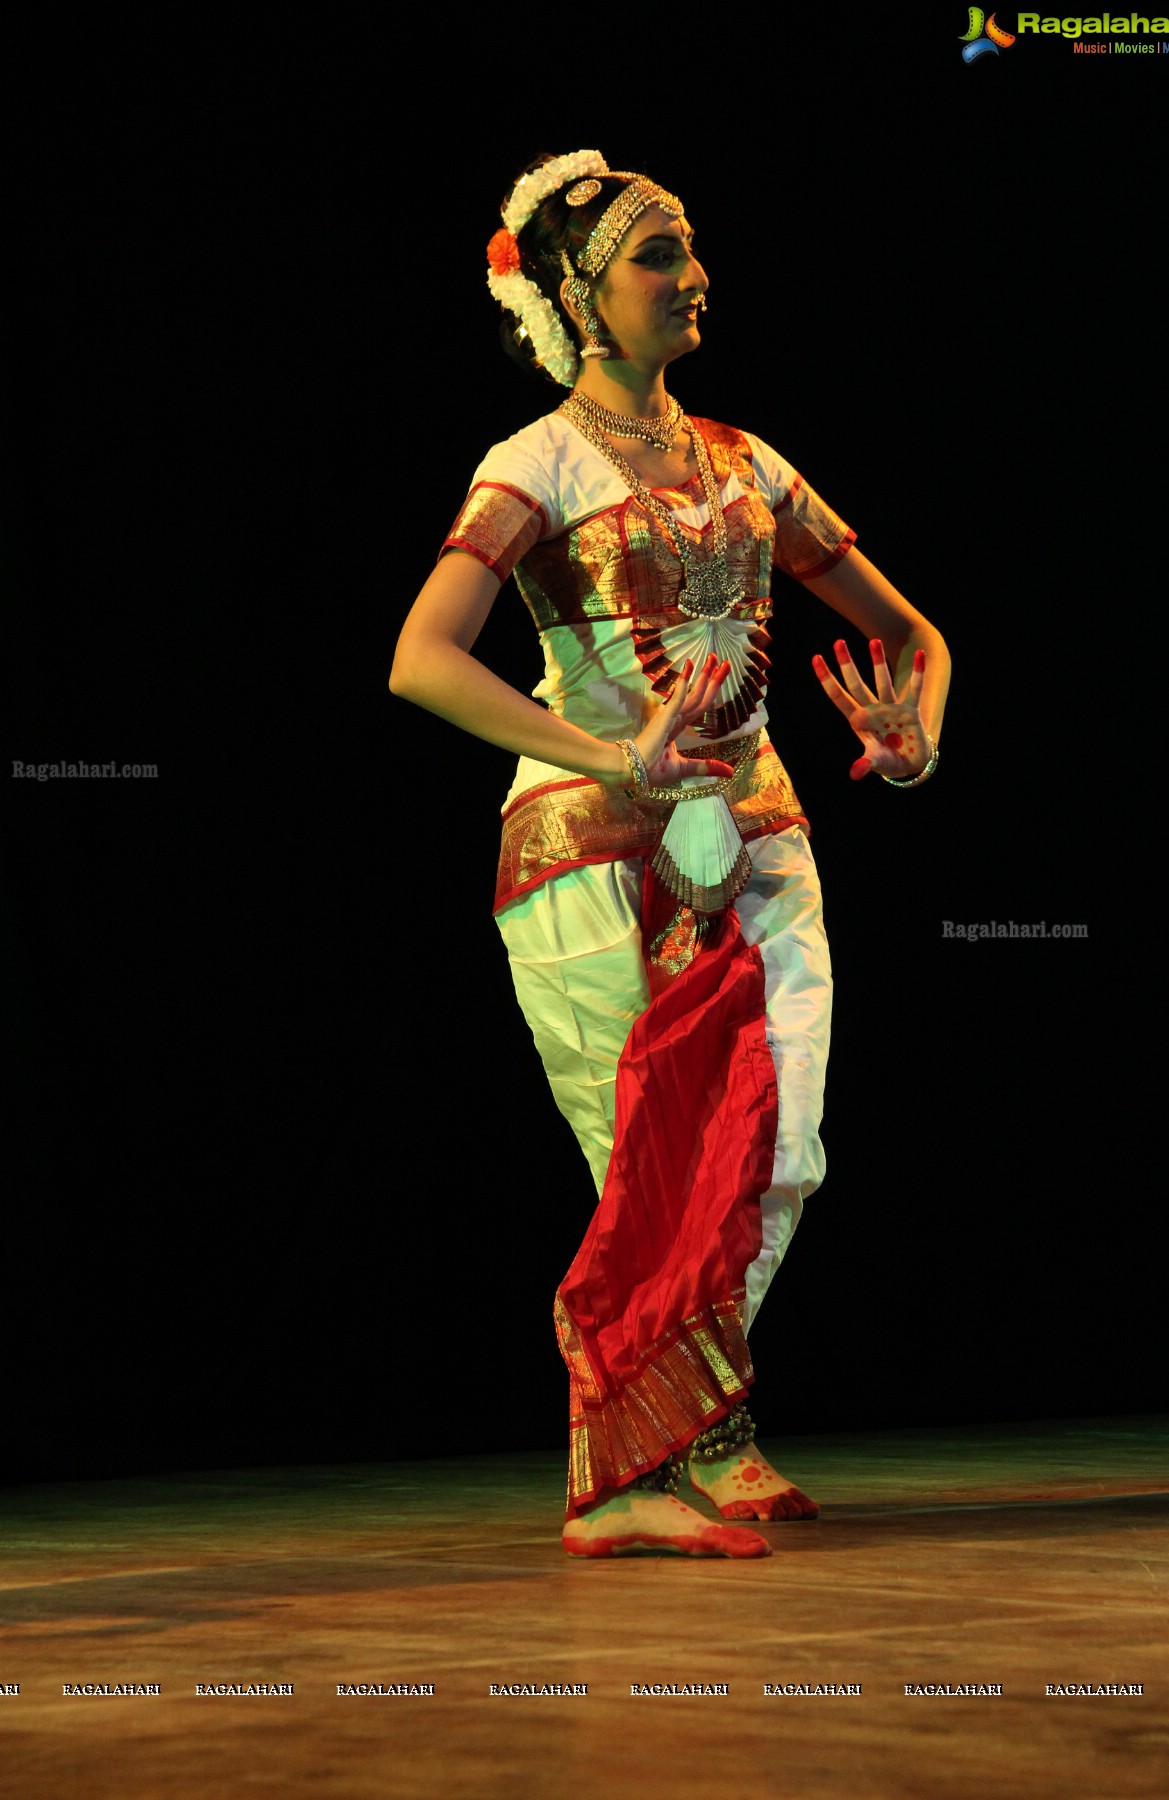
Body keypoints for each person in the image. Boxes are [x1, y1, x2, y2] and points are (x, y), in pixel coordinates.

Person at [389, 150, 949, 1559]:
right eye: (656, 255)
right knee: (650, 1164)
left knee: (784, 1154)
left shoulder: (747, 463)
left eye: (692, 248)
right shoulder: (536, 464)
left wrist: (914, 736)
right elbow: (419, 661)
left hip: (758, 837)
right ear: (578, 293)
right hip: (589, 848)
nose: (692, 274)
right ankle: (631, 1472)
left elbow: (912, 635)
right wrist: (610, 756)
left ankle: (702, 1430)